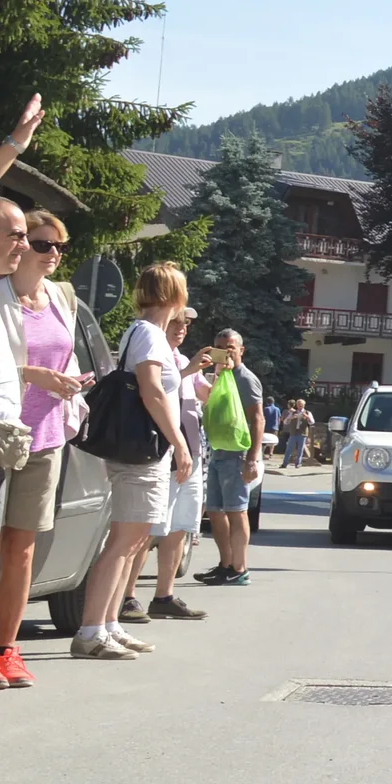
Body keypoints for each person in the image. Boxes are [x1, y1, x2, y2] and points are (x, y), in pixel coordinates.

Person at [74, 262, 192, 660]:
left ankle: (108, 625)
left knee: (134, 538)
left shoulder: (143, 332)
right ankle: (92, 630)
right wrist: (180, 443)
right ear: (175, 297)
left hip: (143, 451)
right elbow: (152, 391)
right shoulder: (151, 336)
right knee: (124, 541)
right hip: (144, 452)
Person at [0, 200, 77, 690]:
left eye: (59, 246)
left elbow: (64, 356)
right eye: (42, 243)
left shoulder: (62, 298)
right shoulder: (1, 294)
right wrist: (32, 374)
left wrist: (69, 384)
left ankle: (7, 649)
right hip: (3, 432)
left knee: (21, 548)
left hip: (44, 437)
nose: (51, 253)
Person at [138, 310, 211, 621]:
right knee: (148, 528)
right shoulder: (156, 354)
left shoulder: (182, 359)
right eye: (177, 322)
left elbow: (206, 396)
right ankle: (127, 597)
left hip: (190, 453)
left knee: (179, 526)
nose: (182, 328)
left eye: (187, 324)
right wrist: (188, 370)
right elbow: (153, 390)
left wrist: (224, 373)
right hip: (164, 452)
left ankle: (163, 595)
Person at [195, 328, 265, 586]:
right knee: (214, 511)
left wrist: (251, 459)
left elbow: (258, 419)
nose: (226, 353)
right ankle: (225, 564)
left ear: (241, 350)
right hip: (216, 453)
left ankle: (240, 568)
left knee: (237, 512)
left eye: (231, 348)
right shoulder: (216, 377)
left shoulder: (245, 379)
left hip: (237, 455)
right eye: (220, 348)